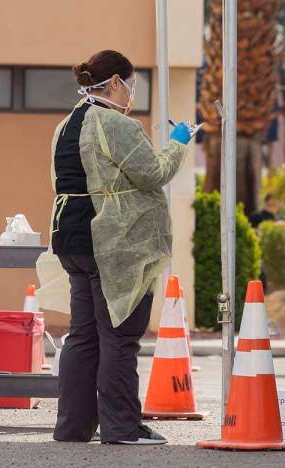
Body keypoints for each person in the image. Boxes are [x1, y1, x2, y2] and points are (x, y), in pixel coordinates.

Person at [48, 50, 192, 445]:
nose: (131, 93)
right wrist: (179, 143)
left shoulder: (65, 125)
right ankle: (123, 428)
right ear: (114, 82)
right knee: (119, 335)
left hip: (70, 239)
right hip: (111, 244)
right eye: (131, 84)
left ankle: (73, 427)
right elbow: (154, 173)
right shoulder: (115, 124)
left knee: (82, 336)